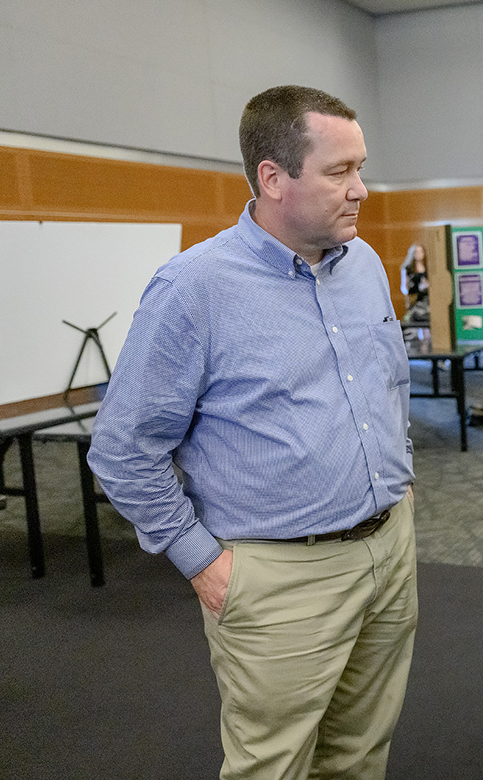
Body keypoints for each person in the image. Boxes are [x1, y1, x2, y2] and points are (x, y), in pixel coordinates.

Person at [87, 85, 418, 780]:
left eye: (362, 167)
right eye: (339, 172)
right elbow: (123, 451)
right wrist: (202, 562)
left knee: (360, 753)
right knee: (273, 765)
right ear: (273, 177)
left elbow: (386, 386)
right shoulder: (194, 289)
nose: (361, 190)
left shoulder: (364, 267)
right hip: (278, 575)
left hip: (390, 548)